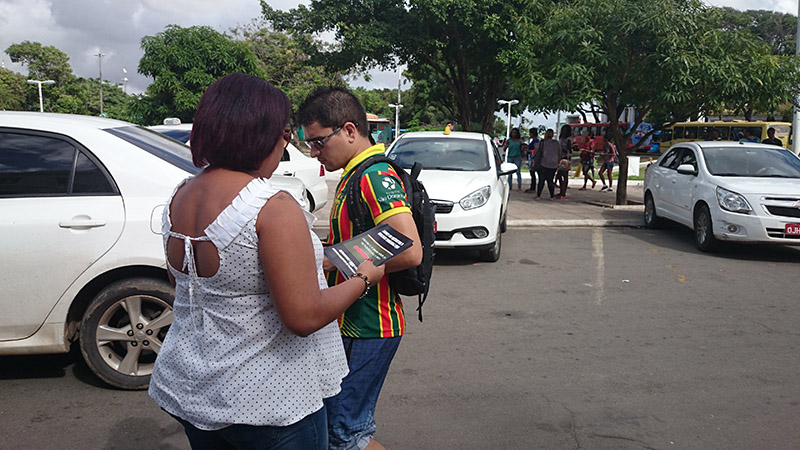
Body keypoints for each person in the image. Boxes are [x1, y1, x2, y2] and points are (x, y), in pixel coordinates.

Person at [149, 74, 386, 450]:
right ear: (263, 135)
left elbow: (189, 285)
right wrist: (363, 278)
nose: (286, 142)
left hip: (192, 388)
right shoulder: (271, 207)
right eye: (285, 133)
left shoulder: (181, 197)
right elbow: (304, 317)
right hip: (266, 399)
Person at [297, 86, 423, 450]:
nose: (314, 152)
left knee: (345, 433)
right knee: (341, 429)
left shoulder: (374, 176)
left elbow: (410, 249)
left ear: (350, 131)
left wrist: (331, 258)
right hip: (352, 321)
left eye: (319, 142)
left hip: (369, 324)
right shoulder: (355, 174)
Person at [535, 128, 560, 200]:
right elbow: (559, 153)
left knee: (541, 180)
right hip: (553, 164)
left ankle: (538, 195)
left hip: (543, 163)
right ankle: (552, 196)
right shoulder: (556, 143)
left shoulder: (542, 143)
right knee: (550, 180)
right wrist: (558, 162)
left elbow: (536, 150)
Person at [555, 125, 572, 199]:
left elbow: (569, 150)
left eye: (565, 130)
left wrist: (567, 159)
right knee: (559, 175)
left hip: (565, 158)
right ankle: (561, 191)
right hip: (560, 157)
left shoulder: (568, 139)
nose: (564, 132)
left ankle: (563, 193)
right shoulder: (561, 138)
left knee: (564, 175)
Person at [525, 128, 540, 193]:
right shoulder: (533, 141)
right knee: (532, 173)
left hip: (533, 159)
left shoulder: (536, 141)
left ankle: (533, 187)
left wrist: (527, 150)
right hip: (531, 158)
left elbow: (535, 150)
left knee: (533, 172)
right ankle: (532, 187)